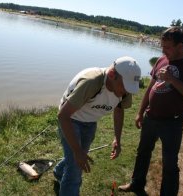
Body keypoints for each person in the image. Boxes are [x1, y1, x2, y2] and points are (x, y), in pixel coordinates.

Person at [118, 26, 183, 196]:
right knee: (143, 153)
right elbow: (151, 87)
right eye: (162, 47)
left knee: (170, 163)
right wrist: (140, 112)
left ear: (181, 46)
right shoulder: (162, 59)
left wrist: (172, 79)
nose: (163, 51)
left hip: (172, 122)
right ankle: (137, 184)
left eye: (167, 47)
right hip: (151, 117)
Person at [53, 56, 141, 196]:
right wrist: (76, 151)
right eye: (125, 87)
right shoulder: (92, 82)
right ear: (112, 75)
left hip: (90, 121)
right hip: (70, 119)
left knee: (79, 157)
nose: (126, 92)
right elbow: (63, 116)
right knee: (76, 169)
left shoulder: (124, 90)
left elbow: (119, 110)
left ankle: (58, 171)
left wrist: (117, 139)